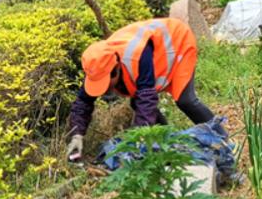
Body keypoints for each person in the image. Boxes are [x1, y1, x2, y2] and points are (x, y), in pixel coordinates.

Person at [66, 17, 215, 162]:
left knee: (185, 100)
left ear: (116, 68)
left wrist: (138, 139)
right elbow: (83, 103)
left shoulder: (137, 55)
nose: (104, 90)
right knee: (137, 104)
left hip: (178, 43)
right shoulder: (96, 66)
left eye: (106, 84)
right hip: (156, 58)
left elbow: (146, 99)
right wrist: (76, 135)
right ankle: (167, 144)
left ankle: (221, 140)